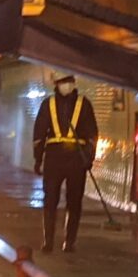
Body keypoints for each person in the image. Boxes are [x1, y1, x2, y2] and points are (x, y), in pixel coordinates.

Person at [31, 74, 98, 252]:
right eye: (63, 83)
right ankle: (51, 241)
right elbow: (39, 134)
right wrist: (38, 158)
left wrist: (88, 158)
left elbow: (92, 135)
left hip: (70, 158)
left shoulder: (83, 104)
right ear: (57, 84)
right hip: (59, 159)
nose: (66, 86)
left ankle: (66, 242)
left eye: (68, 82)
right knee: (52, 200)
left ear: (73, 84)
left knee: (72, 201)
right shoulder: (50, 104)